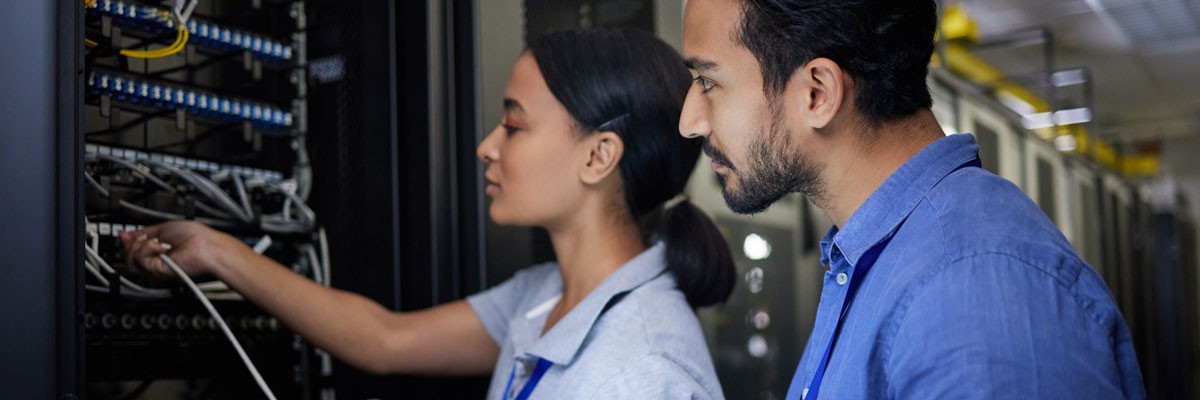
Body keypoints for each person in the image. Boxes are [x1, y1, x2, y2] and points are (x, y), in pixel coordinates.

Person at [121, 28, 733, 399]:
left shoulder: (642, 375)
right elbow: (387, 339)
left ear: (599, 155)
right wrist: (216, 251)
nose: (487, 146)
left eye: (514, 125)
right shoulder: (547, 297)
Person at [678, 0, 1144, 399]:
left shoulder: (974, 290)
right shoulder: (879, 261)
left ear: (817, 93)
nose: (689, 121)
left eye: (707, 82)